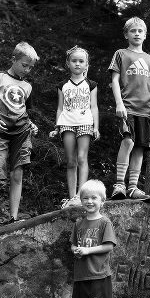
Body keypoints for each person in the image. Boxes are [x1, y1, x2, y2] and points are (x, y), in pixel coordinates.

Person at [0, 41, 40, 230]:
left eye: (30, 67)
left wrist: (32, 125)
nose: (27, 70)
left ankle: (13, 218)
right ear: (14, 59)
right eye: (24, 65)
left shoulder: (27, 86)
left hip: (21, 133)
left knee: (17, 173)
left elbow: (23, 111)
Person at [108, 17, 150, 201]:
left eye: (140, 31)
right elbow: (114, 80)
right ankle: (119, 185)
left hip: (147, 111)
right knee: (128, 141)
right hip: (128, 107)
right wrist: (119, 103)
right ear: (126, 34)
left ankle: (132, 187)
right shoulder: (121, 54)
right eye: (133, 31)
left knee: (140, 147)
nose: (137, 34)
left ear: (145, 35)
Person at [50, 46, 100, 208]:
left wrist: (96, 127)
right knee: (71, 161)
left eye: (81, 61)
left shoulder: (91, 84)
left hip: (85, 123)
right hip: (67, 123)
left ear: (86, 65)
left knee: (82, 158)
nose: (77, 64)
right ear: (68, 63)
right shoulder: (63, 85)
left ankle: (80, 196)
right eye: (74, 61)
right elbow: (59, 108)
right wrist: (57, 127)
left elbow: (94, 107)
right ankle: (72, 197)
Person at [71, 179, 117, 298]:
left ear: (102, 201)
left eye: (94, 198)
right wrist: (75, 250)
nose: (89, 201)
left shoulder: (105, 222)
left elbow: (109, 246)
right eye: (85, 198)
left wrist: (87, 251)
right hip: (82, 274)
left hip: (99, 273)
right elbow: (73, 244)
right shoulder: (78, 224)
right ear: (81, 201)